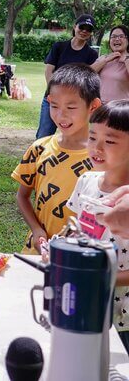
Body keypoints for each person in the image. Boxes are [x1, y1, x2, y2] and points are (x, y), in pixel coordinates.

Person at [12, 64, 101, 255]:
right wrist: (36, 229)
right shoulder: (39, 149)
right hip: (37, 253)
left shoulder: (102, 158)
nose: (61, 115)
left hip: (82, 258)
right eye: (54, 106)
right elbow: (22, 196)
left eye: (70, 107)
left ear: (93, 107)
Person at [66, 100, 129, 352]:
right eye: (92, 137)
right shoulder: (86, 181)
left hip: (123, 316)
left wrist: (104, 278)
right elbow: (75, 231)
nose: (97, 147)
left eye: (110, 141)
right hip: (86, 303)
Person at [36, 14, 99, 138]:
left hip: (74, 104)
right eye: (82, 27)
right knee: (44, 134)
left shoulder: (91, 54)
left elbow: (88, 76)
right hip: (52, 99)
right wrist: (53, 93)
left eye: (89, 29)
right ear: (75, 27)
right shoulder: (59, 47)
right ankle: (39, 157)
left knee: (72, 137)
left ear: (91, 33)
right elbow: (49, 71)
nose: (84, 31)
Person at [91, 25, 129, 103]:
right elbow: (87, 73)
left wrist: (126, 59)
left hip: (121, 109)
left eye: (121, 36)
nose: (117, 39)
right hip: (102, 107)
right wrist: (105, 61)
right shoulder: (104, 58)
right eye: (113, 37)